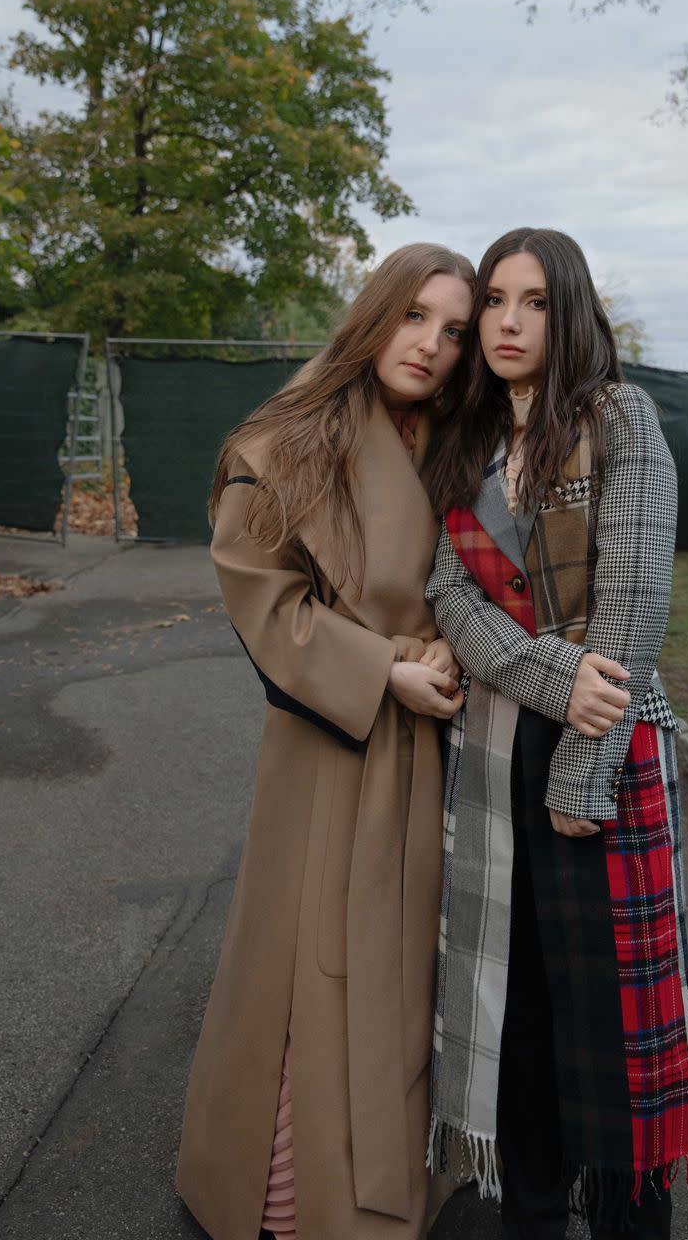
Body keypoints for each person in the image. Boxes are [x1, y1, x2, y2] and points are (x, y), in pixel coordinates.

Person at [176, 243, 476, 1240]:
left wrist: (456, 656)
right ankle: (293, 1201)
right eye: (415, 317)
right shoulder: (294, 432)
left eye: (454, 330)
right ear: (375, 314)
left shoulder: (458, 440)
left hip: (437, 748)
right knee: (314, 965)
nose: (431, 345)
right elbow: (261, 593)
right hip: (329, 745)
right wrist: (382, 670)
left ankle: (400, 1179)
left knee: (407, 972)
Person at [424, 228, 688, 1240]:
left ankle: (631, 1222)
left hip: (606, 752)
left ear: (568, 310)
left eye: (532, 301)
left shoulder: (618, 417)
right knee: (525, 1012)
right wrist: (548, 670)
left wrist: (583, 776)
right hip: (499, 749)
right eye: (495, 299)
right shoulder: (458, 443)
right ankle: (533, 1213)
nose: (506, 321)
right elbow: (449, 596)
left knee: (617, 1022)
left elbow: (632, 605)